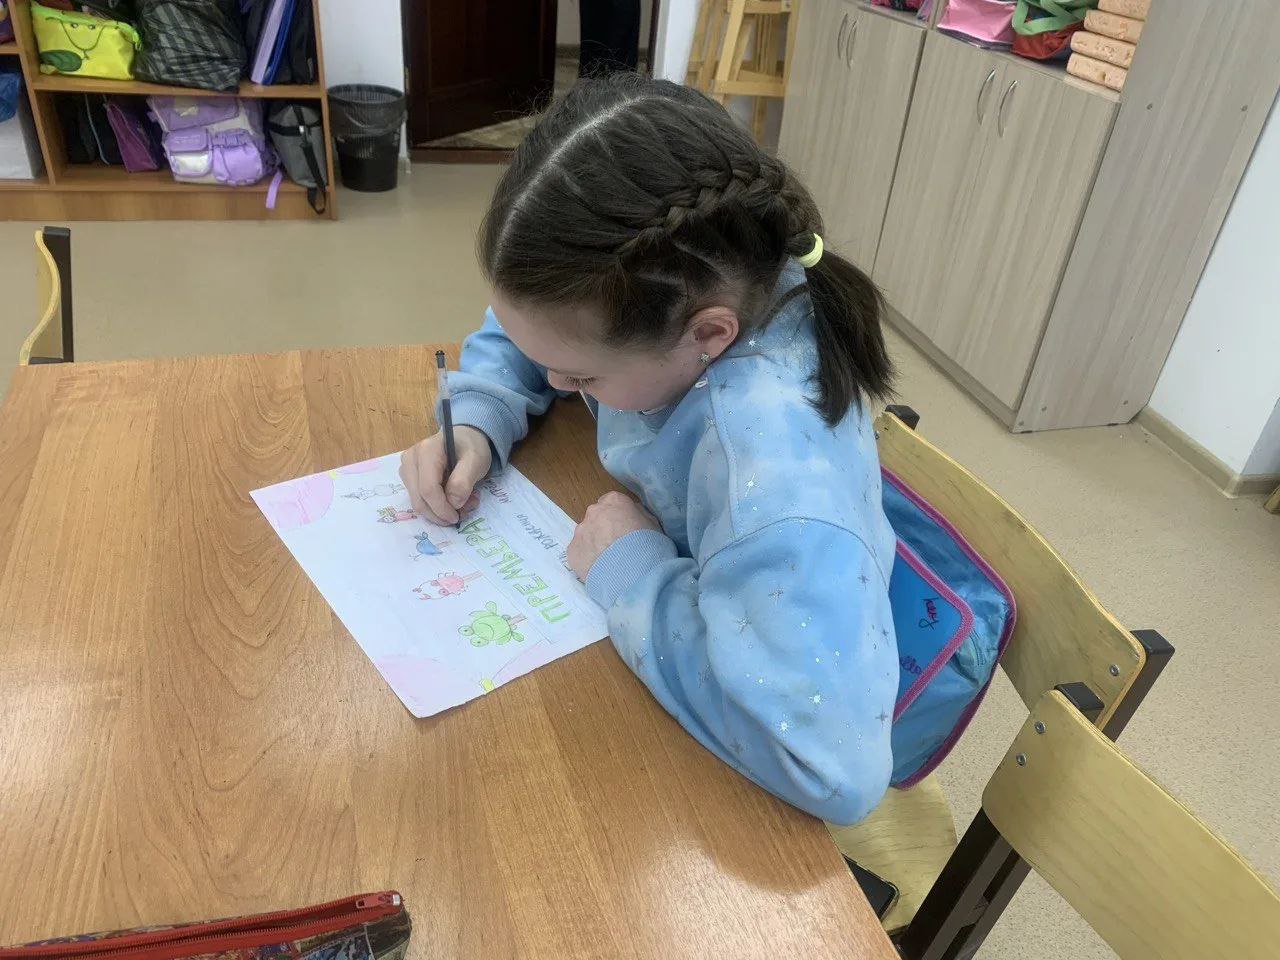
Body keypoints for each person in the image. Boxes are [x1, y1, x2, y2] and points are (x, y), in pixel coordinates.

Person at [400, 73, 897, 825]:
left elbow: (833, 771)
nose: (557, 383)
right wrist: (480, 414)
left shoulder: (775, 487)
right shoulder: (689, 285)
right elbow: (540, 330)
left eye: (581, 378)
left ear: (708, 335)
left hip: (785, 691)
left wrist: (634, 574)